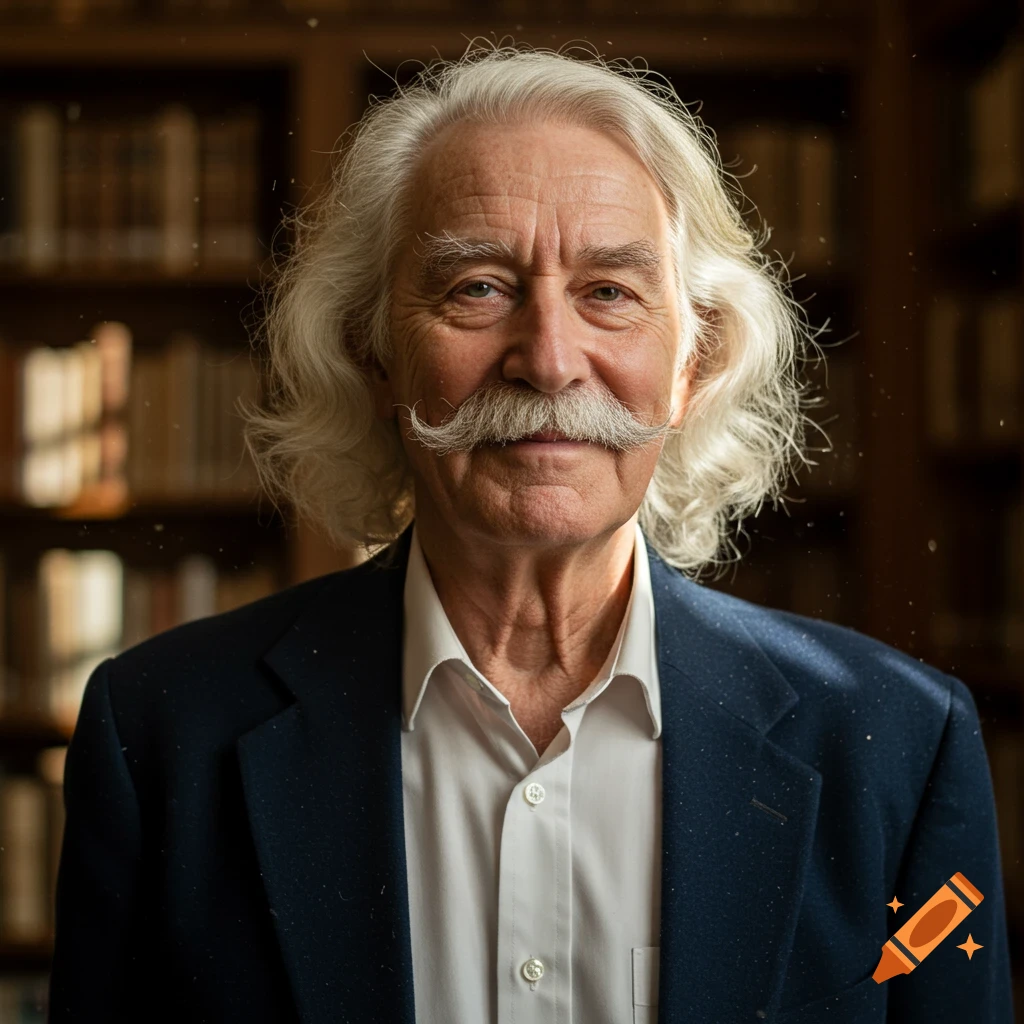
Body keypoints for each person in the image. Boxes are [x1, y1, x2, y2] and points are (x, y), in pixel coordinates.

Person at [49, 40, 1014, 1024]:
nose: (549, 360)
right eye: (476, 287)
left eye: (609, 292)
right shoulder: (162, 732)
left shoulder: (898, 741)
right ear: (372, 355)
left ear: (692, 364)